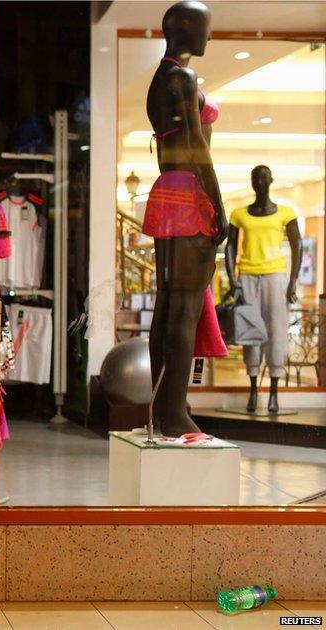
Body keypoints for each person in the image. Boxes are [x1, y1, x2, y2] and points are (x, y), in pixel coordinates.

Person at [142, 0, 228, 436]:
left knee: (168, 305)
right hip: (189, 195)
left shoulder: (162, 77)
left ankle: (164, 407)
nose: (210, 37)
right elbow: (196, 147)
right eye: (207, 29)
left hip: (166, 193)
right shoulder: (183, 77)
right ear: (188, 29)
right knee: (185, 309)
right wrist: (219, 203)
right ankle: (173, 412)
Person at [225, 165, 302, 412]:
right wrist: (232, 279)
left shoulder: (286, 213)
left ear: (271, 180)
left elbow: (297, 245)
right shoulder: (239, 214)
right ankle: (254, 389)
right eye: (255, 177)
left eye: (264, 177)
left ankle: (274, 392)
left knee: (276, 330)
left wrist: (292, 281)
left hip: (275, 276)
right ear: (251, 182)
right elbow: (230, 247)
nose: (260, 181)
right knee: (251, 333)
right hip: (247, 276)